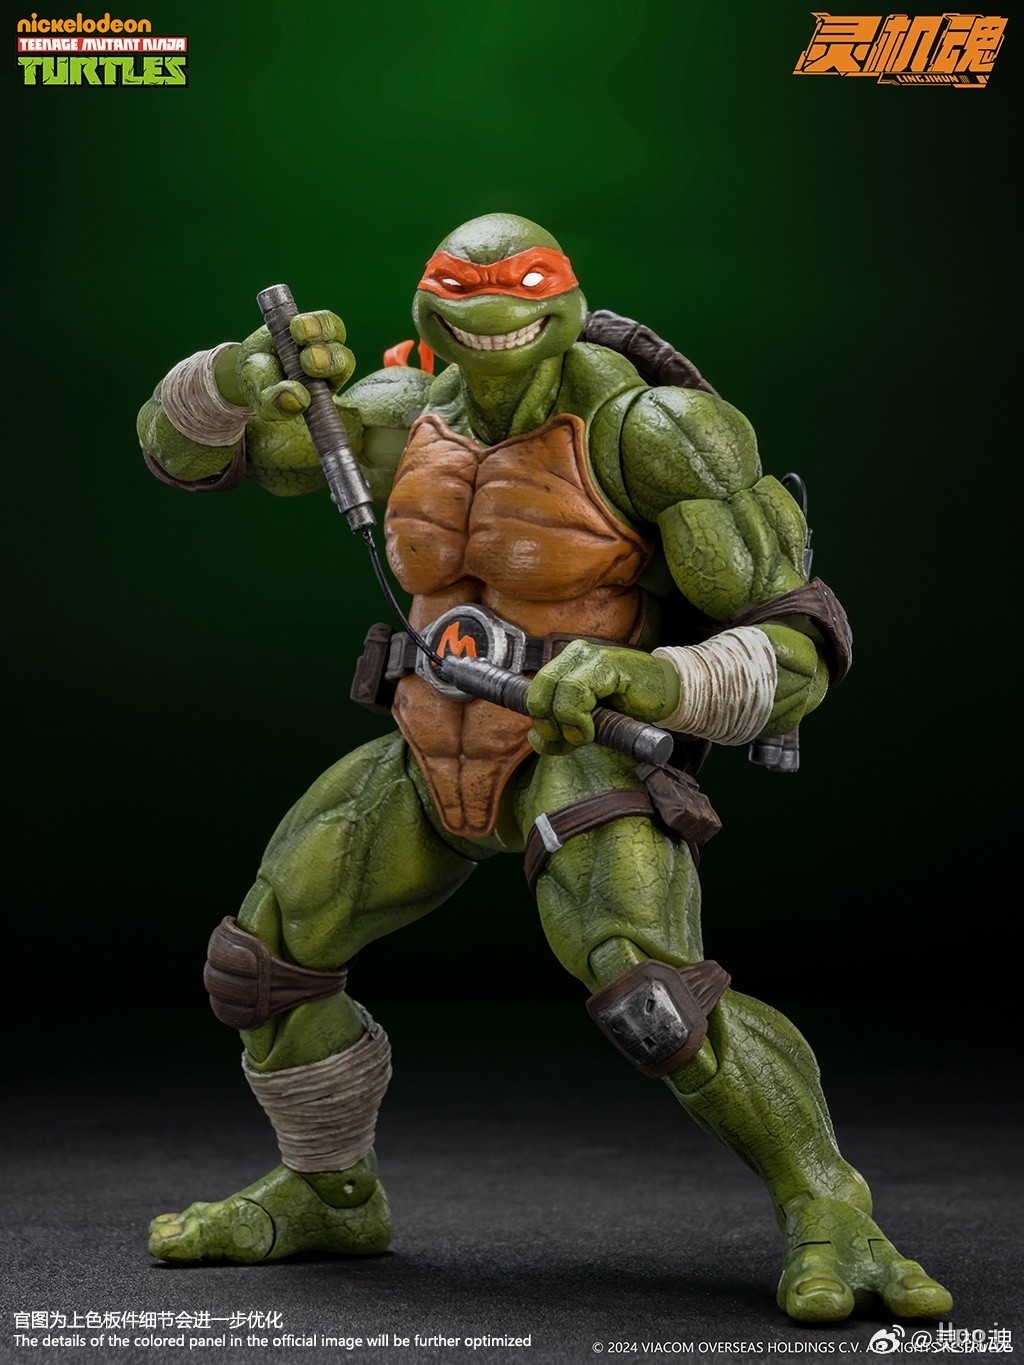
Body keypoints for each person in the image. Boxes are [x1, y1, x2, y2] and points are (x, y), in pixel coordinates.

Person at [138, 212, 951, 1323]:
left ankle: (829, 1207)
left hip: (571, 754)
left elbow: (802, 642)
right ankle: (329, 1192)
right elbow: (188, 458)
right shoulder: (397, 416)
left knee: (652, 994)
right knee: (263, 966)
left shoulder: (657, 433)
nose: (491, 318)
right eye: (459, 293)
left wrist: (655, 679)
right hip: (429, 747)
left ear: (566, 302)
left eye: (521, 290)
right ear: (426, 306)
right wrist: (229, 379)